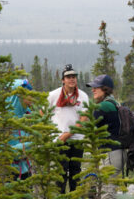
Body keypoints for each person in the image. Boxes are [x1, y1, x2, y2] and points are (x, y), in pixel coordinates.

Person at [47, 64, 89, 193]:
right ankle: (61, 196)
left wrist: (68, 134)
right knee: (61, 172)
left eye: (74, 76)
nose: (72, 79)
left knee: (75, 171)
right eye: (68, 77)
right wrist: (49, 130)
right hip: (59, 139)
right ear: (63, 80)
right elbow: (43, 112)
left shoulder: (82, 96)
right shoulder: (53, 95)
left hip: (77, 139)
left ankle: (74, 195)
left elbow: (83, 118)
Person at [86, 74, 125, 199]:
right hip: (119, 152)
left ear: (105, 89)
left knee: (107, 193)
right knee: (107, 190)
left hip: (110, 154)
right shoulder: (114, 103)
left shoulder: (102, 106)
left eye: (96, 87)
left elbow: (89, 128)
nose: (93, 90)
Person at [6, 79, 33, 180]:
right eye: (27, 93)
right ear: (17, 97)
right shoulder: (3, 121)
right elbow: (3, 151)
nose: (31, 97)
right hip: (8, 173)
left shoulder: (28, 115)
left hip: (26, 169)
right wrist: (30, 145)